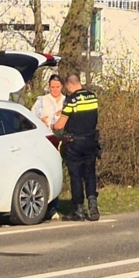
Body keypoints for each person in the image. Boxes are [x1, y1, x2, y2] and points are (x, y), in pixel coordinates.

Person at [53, 74, 101, 221]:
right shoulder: (93, 97)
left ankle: (79, 209)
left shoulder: (72, 100)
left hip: (74, 143)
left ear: (69, 85)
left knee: (76, 176)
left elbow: (60, 125)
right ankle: (93, 205)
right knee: (90, 173)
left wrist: (53, 125)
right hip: (91, 141)